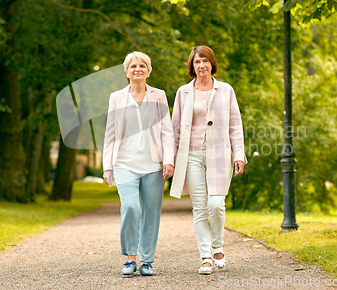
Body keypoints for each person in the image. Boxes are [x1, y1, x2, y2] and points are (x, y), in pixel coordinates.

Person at [170, 45, 247, 275]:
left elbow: (235, 124)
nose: (201, 65)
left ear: (212, 63)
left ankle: (218, 246)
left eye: (204, 60)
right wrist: (171, 160)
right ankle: (205, 256)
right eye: (196, 62)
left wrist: (239, 154)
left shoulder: (226, 90)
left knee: (216, 204)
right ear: (192, 67)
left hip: (220, 154)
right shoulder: (183, 92)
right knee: (200, 209)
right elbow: (174, 129)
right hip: (191, 155)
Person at [103, 51, 174, 276]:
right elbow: (110, 134)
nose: (138, 69)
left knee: (151, 212)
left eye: (142, 66)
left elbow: (167, 131)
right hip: (124, 163)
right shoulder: (116, 97)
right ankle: (130, 258)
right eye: (133, 66)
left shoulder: (159, 95)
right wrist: (107, 166)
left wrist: (169, 160)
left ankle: (146, 261)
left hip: (154, 165)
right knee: (131, 207)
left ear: (149, 71)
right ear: (126, 71)